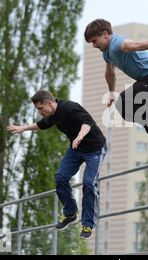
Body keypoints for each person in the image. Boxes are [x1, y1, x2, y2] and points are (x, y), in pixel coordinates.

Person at [7, 90, 107, 239]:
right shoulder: (52, 116)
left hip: (95, 149)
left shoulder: (70, 108)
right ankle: (70, 213)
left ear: (49, 103)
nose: (40, 112)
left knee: (88, 183)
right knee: (60, 177)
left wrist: (79, 137)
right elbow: (41, 125)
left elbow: (87, 123)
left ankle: (88, 223)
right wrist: (23, 128)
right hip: (75, 149)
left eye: (40, 109)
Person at [84, 19, 148, 153]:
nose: (94, 45)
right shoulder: (107, 53)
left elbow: (134, 45)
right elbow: (110, 72)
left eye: (94, 41)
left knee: (124, 101)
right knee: (125, 109)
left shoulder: (117, 43)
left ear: (105, 33)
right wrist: (111, 92)